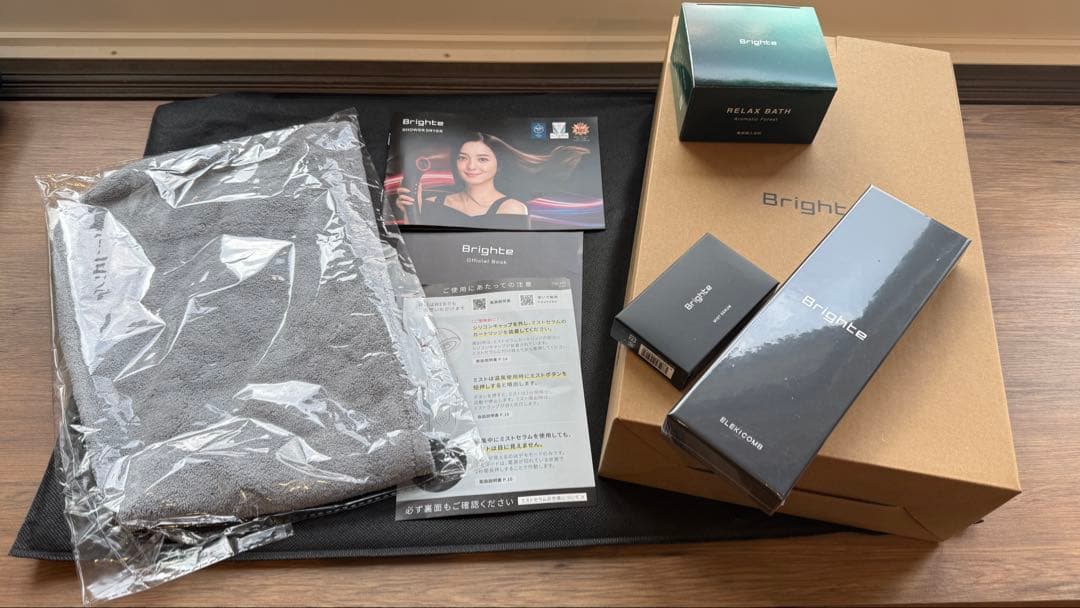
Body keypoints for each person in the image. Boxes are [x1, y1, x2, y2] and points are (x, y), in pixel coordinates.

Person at [395, 132, 588, 229]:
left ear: (499, 164)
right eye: (463, 158)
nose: (471, 166)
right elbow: (417, 251)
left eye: (482, 159)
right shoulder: (430, 203)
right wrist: (410, 212)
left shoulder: (512, 208)